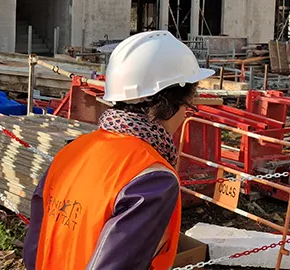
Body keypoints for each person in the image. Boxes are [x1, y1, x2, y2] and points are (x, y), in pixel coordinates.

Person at [24, 30, 213, 270]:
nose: (186, 113)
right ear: (167, 104)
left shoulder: (72, 153)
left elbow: (33, 250)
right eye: (189, 105)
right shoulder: (152, 178)